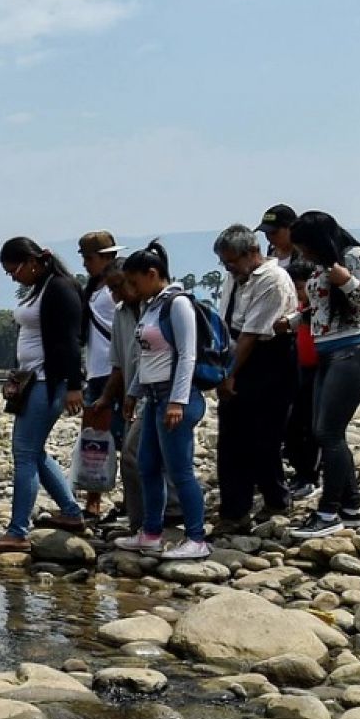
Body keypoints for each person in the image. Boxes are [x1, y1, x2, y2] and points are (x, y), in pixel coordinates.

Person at [287, 211, 360, 539]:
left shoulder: (357, 258)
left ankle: (328, 512)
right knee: (327, 433)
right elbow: (322, 310)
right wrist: (292, 322)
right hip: (330, 352)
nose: (302, 254)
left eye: (305, 247)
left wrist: (345, 279)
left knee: (328, 433)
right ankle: (351, 508)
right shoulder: (322, 264)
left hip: (357, 351)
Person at [0, 238, 86, 553]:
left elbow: (71, 340)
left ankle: (17, 531)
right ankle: (71, 513)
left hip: (49, 381)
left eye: (13, 269)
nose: (12, 276)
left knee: (25, 453)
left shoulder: (60, 287)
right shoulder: (41, 288)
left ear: (31, 261)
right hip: (33, 381)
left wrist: (73, 385)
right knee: (34, 452)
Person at [113, 242, 210, 560]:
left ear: (152, 274)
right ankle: (151, 533)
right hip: (153, 396)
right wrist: (133, 393)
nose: (131, 288)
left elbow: (187, 355)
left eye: (134, 281)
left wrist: (178, 402)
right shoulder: (151, 305)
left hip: (173, 397)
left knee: (180, 470)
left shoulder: (178, 304)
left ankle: (196, 538)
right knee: (147, 466)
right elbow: (147, 356)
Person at [212, 225, 300, 535]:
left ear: (252, 253)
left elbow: (251, 334)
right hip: (236, 351)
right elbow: (227, 323)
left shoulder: (272, 281)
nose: (229, 267)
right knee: (233, 436)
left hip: (268, 360)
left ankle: (272, 498)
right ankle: (235, 508)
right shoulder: (235, 278)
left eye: (232, 260)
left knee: (263, 437)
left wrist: (229, 374)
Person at [93, 269, 182, 532]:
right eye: (112, 289)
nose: (116, 294)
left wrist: (177, 398)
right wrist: (112, 396)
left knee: (138, 456)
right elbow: (121, 362)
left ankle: (159, 516)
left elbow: (182, 354)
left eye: (121, 286)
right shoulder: (121, 314)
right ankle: (145, 519)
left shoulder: (160, 307)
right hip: (141, 393)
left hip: (163, 393)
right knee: (145, 456)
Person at [77, 231, 124, 522]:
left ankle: (126, 500)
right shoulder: (95, 288)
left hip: (114, 370)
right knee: (94, 438)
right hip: (97, 370)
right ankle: (93, 500)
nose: (85, 263)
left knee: (116, 436)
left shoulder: (116, 287)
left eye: (89, 258)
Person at [283, 258, 323, 501]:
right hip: (300, 369)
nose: (297, 294)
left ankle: (311, 476)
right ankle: (301, 473)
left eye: (299, 288)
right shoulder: (299, 310)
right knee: (294, 425)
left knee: (311, 427)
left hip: (319, 370)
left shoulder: (320, 309)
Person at [257, 204, 297, 268]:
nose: (269, 237)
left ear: (291, 228)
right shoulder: (270, 255)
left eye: (273, 232)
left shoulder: (307, 258)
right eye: (266, 233)